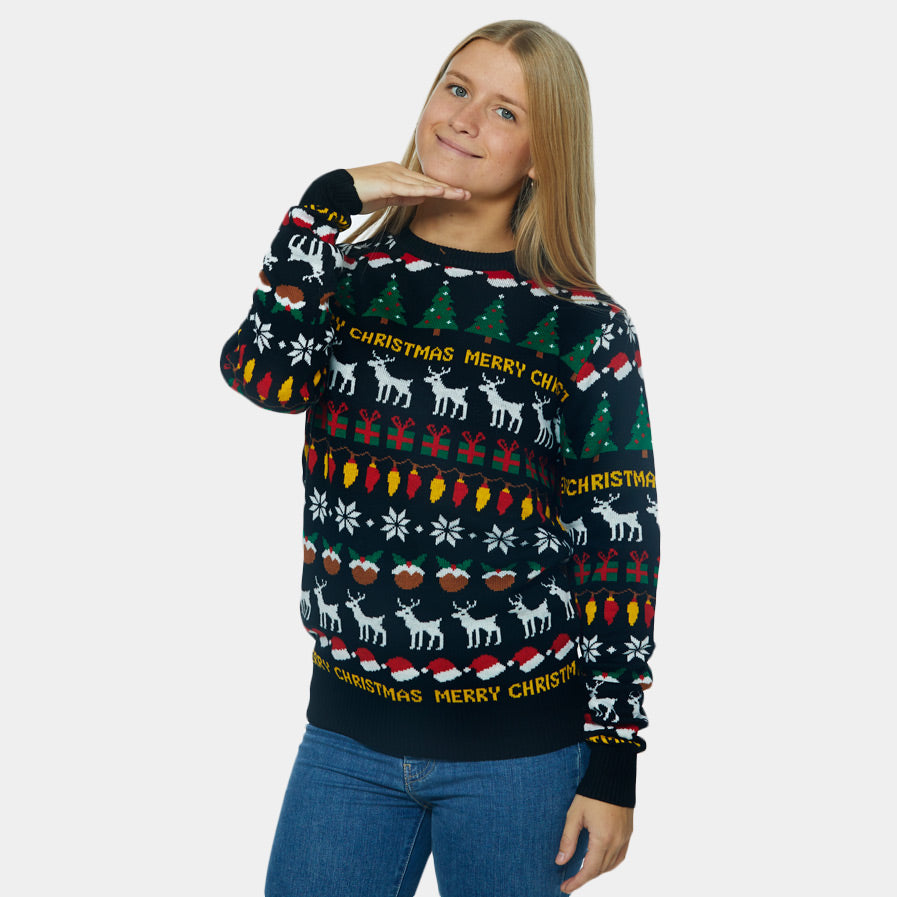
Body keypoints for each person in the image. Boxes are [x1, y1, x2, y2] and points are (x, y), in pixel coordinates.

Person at [219, 19, 660, 897]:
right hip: (344, 739)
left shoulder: (580, 325)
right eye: (456, 88)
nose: (464, 118)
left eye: (505, 111)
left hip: (520, 752)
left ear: (543, 156)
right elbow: (262, 376)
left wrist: (613, 757)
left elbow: (617, 541)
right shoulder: (346, 279)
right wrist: (322, 206)